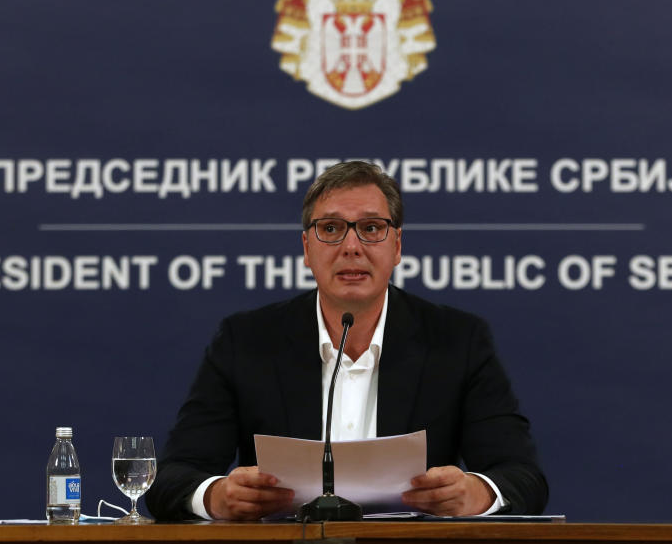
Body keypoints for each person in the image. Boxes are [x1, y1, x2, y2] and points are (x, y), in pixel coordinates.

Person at [146, 161, 547, 520]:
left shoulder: (457, 340)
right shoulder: (246, 341)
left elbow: (522, 477)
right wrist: (216, 496)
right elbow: (172, 478)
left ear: (397, 246)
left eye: (371, 228)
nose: (351, 247)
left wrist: (476, 493)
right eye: (331, 229)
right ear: (306, 248)